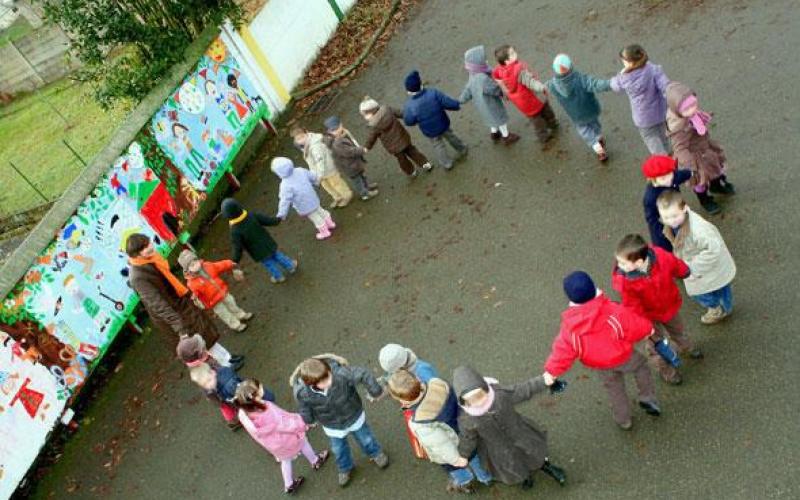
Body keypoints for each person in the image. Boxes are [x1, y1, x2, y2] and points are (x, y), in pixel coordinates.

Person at [543, 271, 661, 429]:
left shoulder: (570, 327)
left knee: (614, 389)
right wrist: (649, 330)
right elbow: (633, 325)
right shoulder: (612, 311)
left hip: (600, 364)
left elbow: (562, 351)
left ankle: (623, 419)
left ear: (570, 299)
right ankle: (647, 397)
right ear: (594, 287)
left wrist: (551, 372)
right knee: (641, 367)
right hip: (624, 356)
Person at [126, 233, 241, 367]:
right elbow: (158, 305)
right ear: (136, 254)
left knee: (205, 334)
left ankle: (227, 358)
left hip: (181, 303)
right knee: (198, 343)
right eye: (145, 247)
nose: (150, 247)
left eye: (148, 243)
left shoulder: (151, 259)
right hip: (175, 313)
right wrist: (180, 328)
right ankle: (224, 367)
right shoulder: (138, 277)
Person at [452, 366, 566, 490]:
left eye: (480, 396)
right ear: (464, 402)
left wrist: (543, 380)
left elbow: (523, 390)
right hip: (498, 449)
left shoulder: (499, 395)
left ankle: (546, 466)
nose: (479, 402)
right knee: (513, 465)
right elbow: (468, 438)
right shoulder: (467, 420)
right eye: (471, 400)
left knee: (535, 452)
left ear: (485, 388)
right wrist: (463, 455)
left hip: (521, 433)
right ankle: (526, 477)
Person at [612, 234, 704, 385]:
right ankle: (667, 371)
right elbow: (633, 307)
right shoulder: (627, 283)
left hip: (669, 305)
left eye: (623, 263)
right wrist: (643, 327)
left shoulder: (660, 256)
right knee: (655, 348)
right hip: (649, 318)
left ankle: (687, 347)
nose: (619, 266)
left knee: (678, 330)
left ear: (640, 262)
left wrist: (684, 271)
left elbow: (674, 263)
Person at [387, 369, 493, 493]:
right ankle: (485, 477)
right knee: (475, 457)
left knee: (456, 469)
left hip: (453, 449)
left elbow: (440, 444)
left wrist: (455, 460)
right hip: (466, 434)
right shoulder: (437, 383)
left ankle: (465, 482)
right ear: (418, 378)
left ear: (403, 401)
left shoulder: (420, 421)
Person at [290, 354, 388, 487]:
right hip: (332, 425)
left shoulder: (341, 374)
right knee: (338, 449)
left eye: (328, 376)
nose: (328, 382)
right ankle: (345, 467)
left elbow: (363, 373)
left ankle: (375, 453)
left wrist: (375, 391)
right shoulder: (303, 393)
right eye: (322, 381)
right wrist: (309, 420)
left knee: (366, 438)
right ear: (311, 384)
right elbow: (304, 408)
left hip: (353, 415)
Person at [234, 379, 329, 495]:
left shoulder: (246, 413)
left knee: (285, 460)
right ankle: (315, 460)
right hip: (287, 438)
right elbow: (285, 425)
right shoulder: (266, 411)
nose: (262, 387)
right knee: (303, 442)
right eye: (260, 387)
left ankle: (289, 484)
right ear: (255, 397)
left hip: (275, 444)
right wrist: (302, 424)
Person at [656, 191, 736, 324]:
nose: (671, 221)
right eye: (666, 217)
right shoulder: (679, 224)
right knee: (720, 286)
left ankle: (717, 309)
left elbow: (713, 250)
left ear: (685, 208)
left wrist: (690, 266)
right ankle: (726, 306)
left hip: (703, 266)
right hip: (709, 267)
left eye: (674, 216)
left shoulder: (698, 230)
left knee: (700, 293)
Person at [666, 81, 736, 215]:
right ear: (677, 110)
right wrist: (690, 165)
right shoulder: (679, 128)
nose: (692, 110)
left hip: (705, 149)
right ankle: (704, 200)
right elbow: (680, 148)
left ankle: (716, 186)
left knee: (715, 168)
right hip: (694, 158)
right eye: (687, 109)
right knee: (700, 181)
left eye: (694, 105)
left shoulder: (691, 115)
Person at [545, 53, 612, 161]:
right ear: (571, 66)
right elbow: (596, 84)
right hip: (590, 109)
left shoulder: (552, 85)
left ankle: (598, 150)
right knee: (595, 124)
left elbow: (542, 87)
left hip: (576, 116)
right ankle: (599, 137)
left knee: (585, 131)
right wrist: (610, 84)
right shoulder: (581, 79)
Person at [492, 45, 559, 147]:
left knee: (536, 121)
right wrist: (543, 87)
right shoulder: (519, 72)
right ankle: (551, 126)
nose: (516, 54)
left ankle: (543, 136)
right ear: (507, 61)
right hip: (534, 99)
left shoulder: (500, 72)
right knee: (546, 112)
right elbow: (531, 83)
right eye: (513, 53)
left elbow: (501, 84)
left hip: (523, 104)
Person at [610, 44, 671, 155]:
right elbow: (665, 87)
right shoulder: (653, 69)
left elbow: (615, 86)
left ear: (629, 62)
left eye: (623, 61)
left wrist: (621, 73)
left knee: (652, 142)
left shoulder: (624, 78)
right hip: (660, 113)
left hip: (643, 119)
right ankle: (669, 155)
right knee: (663, 136)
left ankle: (665, 164)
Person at [220, 198, 297, 284]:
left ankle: (279, 277)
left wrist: (234, 261)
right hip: (267, 243)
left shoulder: (235, 230)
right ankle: (290, 266)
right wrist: (276, 220)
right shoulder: (251, 215)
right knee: (277, 255)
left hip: (257, 251)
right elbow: (267, 220)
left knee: (269, 264)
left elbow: (237, 248)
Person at [402, 70, 468, 170]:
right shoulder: (433, 93)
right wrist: (456, 105)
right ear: (421, 84)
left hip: (429, 130)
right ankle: (462, 148)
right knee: (451, 136)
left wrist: (417, 120)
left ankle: (447, 163)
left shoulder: (409, 105)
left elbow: (409, 121)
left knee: (438, 145)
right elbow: (447, 102)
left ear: (409, 91)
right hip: (443, 123)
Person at [177, 334, 243, 430]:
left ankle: (233, 420)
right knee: (228, 404)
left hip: (219, 387)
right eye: (203, 349)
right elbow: (210, 387)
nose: (205, 349)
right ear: (198, 354)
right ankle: (234, 421)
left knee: (226, 406)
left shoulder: (199, 361)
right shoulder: (202, 369)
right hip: (219, 391)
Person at [177, 250, 252, 332]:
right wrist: (196, 299)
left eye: (195, 261)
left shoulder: (208, 266)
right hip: (213, 302)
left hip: (222, 291)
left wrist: (229, 263)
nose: (196, 265)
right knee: (224, 314)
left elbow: (219, 265)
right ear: (188, 270)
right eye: (192, 265)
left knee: (232, 303)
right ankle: (236, 325)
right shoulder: (191, 283)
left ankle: (241, 315)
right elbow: (196, 295)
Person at [459, 45, 519, 146]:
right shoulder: (482, 78)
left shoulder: (473, 75)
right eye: (484, 60)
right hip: (491, 104)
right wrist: (504, 92)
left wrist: (461, 100)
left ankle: (494, 133)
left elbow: (467, 90)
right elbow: (493, 89)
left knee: (491, 120)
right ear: (478, 63)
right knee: (500, 119)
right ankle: (506, 136)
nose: (486, 61)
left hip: (482, 106)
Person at [360, 96, 432, 178]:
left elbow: (371, 139)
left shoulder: (373, 126)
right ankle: (425, 164)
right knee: (413, 151)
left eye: (365, 115)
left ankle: (411, 172)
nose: (364, 117)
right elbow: (401, 113)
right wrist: (412, 117)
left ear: (371, 113)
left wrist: (366, 147)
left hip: (393, 147)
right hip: (403, 137)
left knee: (402, 160)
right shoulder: (387, 109)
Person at [271, 156, 336, 241]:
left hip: (303, 205)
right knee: (320, 210)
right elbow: (312, 176)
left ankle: (325, 232)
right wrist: (316, 181)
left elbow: (284, 201)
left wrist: (282, 214)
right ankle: (330, 223)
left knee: (315, 217)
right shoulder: (299, 170)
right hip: (312, 197)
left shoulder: (285, 185)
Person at [291, 126, 353, 208]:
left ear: (306, 133)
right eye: (298, 139)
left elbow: (320, 161)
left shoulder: (315, 145)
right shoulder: (304, 145)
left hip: (327, 168)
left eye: (302, 137)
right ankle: (337, 197)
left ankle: (346, 195)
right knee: (327, 185)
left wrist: (319, 175)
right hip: (318, 171)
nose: (301, 140)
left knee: (336, 183)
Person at [641, 155, 692, 251]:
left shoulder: (671, 177)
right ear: (654, 180)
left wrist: (691, 173)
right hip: (668, 219)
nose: (669, 179)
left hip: (677, 208)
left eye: (670, 174)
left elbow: (680, 175)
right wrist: (663, 234)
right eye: (663, 178)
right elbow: (652, 220)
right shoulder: (650, 197)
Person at [323, 116, 379, 201]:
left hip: (353, 163)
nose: (336, 131)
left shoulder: (342, 134)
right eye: (333, 130)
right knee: (358, 181)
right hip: (349, 166)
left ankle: (367, 186)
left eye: (337, 128)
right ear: (329, 131)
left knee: (362, 175)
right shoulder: (337, 143)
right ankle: (365, 194)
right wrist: (362, 150)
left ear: (341, 124)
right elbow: (349, 152)